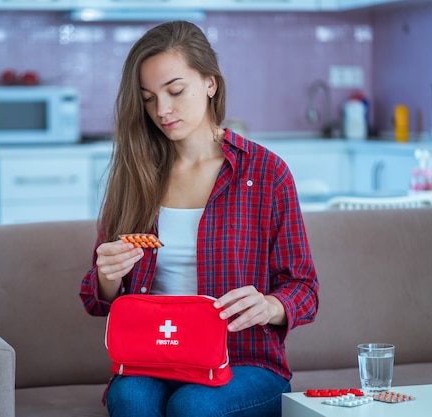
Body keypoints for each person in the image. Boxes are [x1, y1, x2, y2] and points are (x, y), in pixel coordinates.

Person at [80, 20, 319, 417]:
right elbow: (98, 299)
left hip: (244, 360)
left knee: (194, 405)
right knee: (128, 397)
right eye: (148, 98)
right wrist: (107, 276)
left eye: (175, 91)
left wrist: (269, 305)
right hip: (153, 357)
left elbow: (304, 288)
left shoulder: (264, 173)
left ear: (210, 83)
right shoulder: (133, 175)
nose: (162, 110)